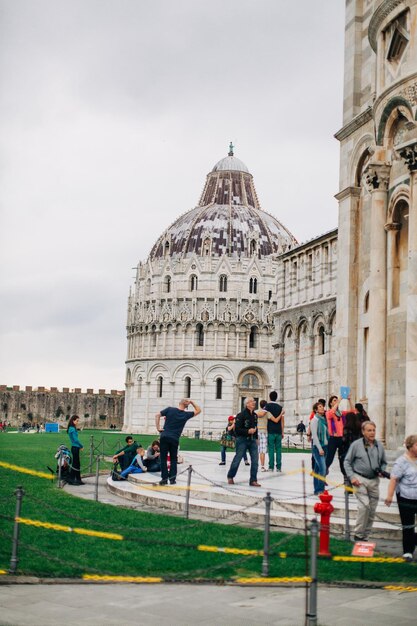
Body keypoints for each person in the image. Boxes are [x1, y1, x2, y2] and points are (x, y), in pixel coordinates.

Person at [344, 420, 387, 542]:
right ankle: (358, 534)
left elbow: (384, 462)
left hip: (374, 481)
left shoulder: (379, 445)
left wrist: (382, 470)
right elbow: (347, 462)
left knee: (372, 510)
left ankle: (365, 536)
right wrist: (352, 477)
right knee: (364, 506)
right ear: (363, 432)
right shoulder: (356, 445)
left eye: (373, 430)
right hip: (360, 479)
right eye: (369, 430)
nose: (372, 433)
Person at [385, 434, 417, 561]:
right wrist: (389, 496)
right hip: (406, 497)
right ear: (410, 447)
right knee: (408, 525)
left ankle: (413, 540)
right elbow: (394, 479)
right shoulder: (401, 461)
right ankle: (408, 551)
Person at [155, 398, 201, 486]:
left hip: (164, 436)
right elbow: (198, 410)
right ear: (187, 406)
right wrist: (191, 402)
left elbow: (157, 415)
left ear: (179, 403)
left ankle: (164, 479)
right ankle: (172, 479)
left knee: (163, 459)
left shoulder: (169, 410)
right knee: (173, 459)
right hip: (174, 438)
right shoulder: (186, 415)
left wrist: (158, 428)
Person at [227, 397, 261, 487]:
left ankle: (253, 480)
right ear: (247, 404)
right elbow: (237, 430)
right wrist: (247, 431)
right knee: (238, 458)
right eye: (251, 401)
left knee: (255, 460)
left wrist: (257, 438)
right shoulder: (240, 415)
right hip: (242, 440)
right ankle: (230, 476)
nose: (254, 402)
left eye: (254, 401)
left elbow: (255, 427)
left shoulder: (255, 415)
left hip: (252, 440)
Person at [325, 394, 352, 473]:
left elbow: (352, 412)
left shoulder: (341, 413)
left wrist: (349, 400)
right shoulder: (329, 413)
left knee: (343, 458)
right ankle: (322, 476)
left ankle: (346, 479)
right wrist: (339, 400)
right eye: (334, 400)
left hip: (341, 438)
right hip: (333, 438)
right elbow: (332, 411)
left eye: (337, 400)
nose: (336, 401)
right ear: (330, 403)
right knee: (329, 458)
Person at [310, 401, 329, 495]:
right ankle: (320, 490)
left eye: (322, 406)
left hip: (325, 446)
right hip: (318, 448)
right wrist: (320, 448)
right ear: (316, 410)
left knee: (317, 470)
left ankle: (316, 490)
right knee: (323, 469)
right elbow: (315, 436)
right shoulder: (314, 420)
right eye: (320, 407)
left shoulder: (323, 420)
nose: (322, 408)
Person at [263, 390, 284, 472]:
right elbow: (282, 421)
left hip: (270, 431)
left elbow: (263, 416)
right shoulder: (280, 407)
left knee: (271, 449)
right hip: (278, 431)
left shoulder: (267, 406)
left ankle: (271, 467)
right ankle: (279, 467)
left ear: (269, 397)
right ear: (276, 397)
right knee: (279, 449)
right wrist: (282, 431)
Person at [339, 411, 362, 481]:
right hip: (357, 453)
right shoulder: (360, 428)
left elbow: (344, 441)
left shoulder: (346, 428)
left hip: (348, 452)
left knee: (347, 474)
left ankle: (348, 490)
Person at [67, 415, 84, 485]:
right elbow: (76, 440)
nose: (77, 422)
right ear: (73, 421)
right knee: (75, 464)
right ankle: (71, 479)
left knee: (77, 464)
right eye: (77, 421)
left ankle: (78, 479)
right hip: (75, 447)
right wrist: (81, 446)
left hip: (75, 447)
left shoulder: (72, 428)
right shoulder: (72, 429)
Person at [256, 401, 269, 472]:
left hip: (257, 431)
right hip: (264, 431)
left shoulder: (255, 412)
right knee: (263, 451)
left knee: (257, 450)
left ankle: (255, 465)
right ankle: (262, 466)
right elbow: (274, 420)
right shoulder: (267, 413)